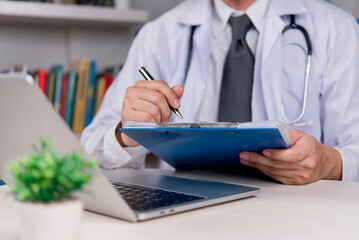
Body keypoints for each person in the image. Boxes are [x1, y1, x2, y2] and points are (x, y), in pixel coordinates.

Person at [81, 0, 359, 185]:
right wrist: (127, 133)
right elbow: (90, 156)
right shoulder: (160, 33)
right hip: (186, 215)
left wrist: (328, 163)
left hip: (298, 217)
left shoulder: (336, 29)